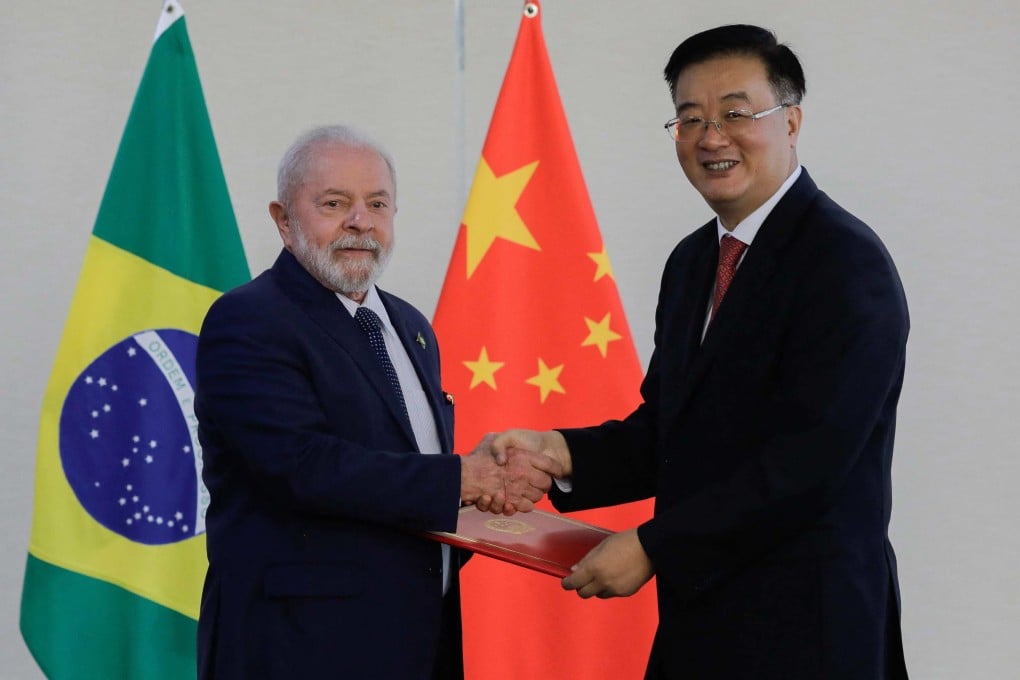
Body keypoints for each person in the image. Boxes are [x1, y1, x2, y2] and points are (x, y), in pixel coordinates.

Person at [491, 25, 910, 679]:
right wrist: (557, 454)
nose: (712, 137)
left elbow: (809, 464)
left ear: (791, 121)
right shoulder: (691, 264)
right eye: (690, 119)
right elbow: (668, 431)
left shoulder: (845, 264)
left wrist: (656, 545)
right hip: (702, 622)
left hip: (810, 632)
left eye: (736, 114)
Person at [194, 125, 562, 680]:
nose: (360, 221)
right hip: (299, 648)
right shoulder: (249, 319)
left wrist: (492, 485)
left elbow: (405, 472)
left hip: (418, 637)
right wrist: (463, 479)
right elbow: (301, 466)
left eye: (377, 203)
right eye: (334, 203)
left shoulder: (411, 326)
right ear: (283, 220)